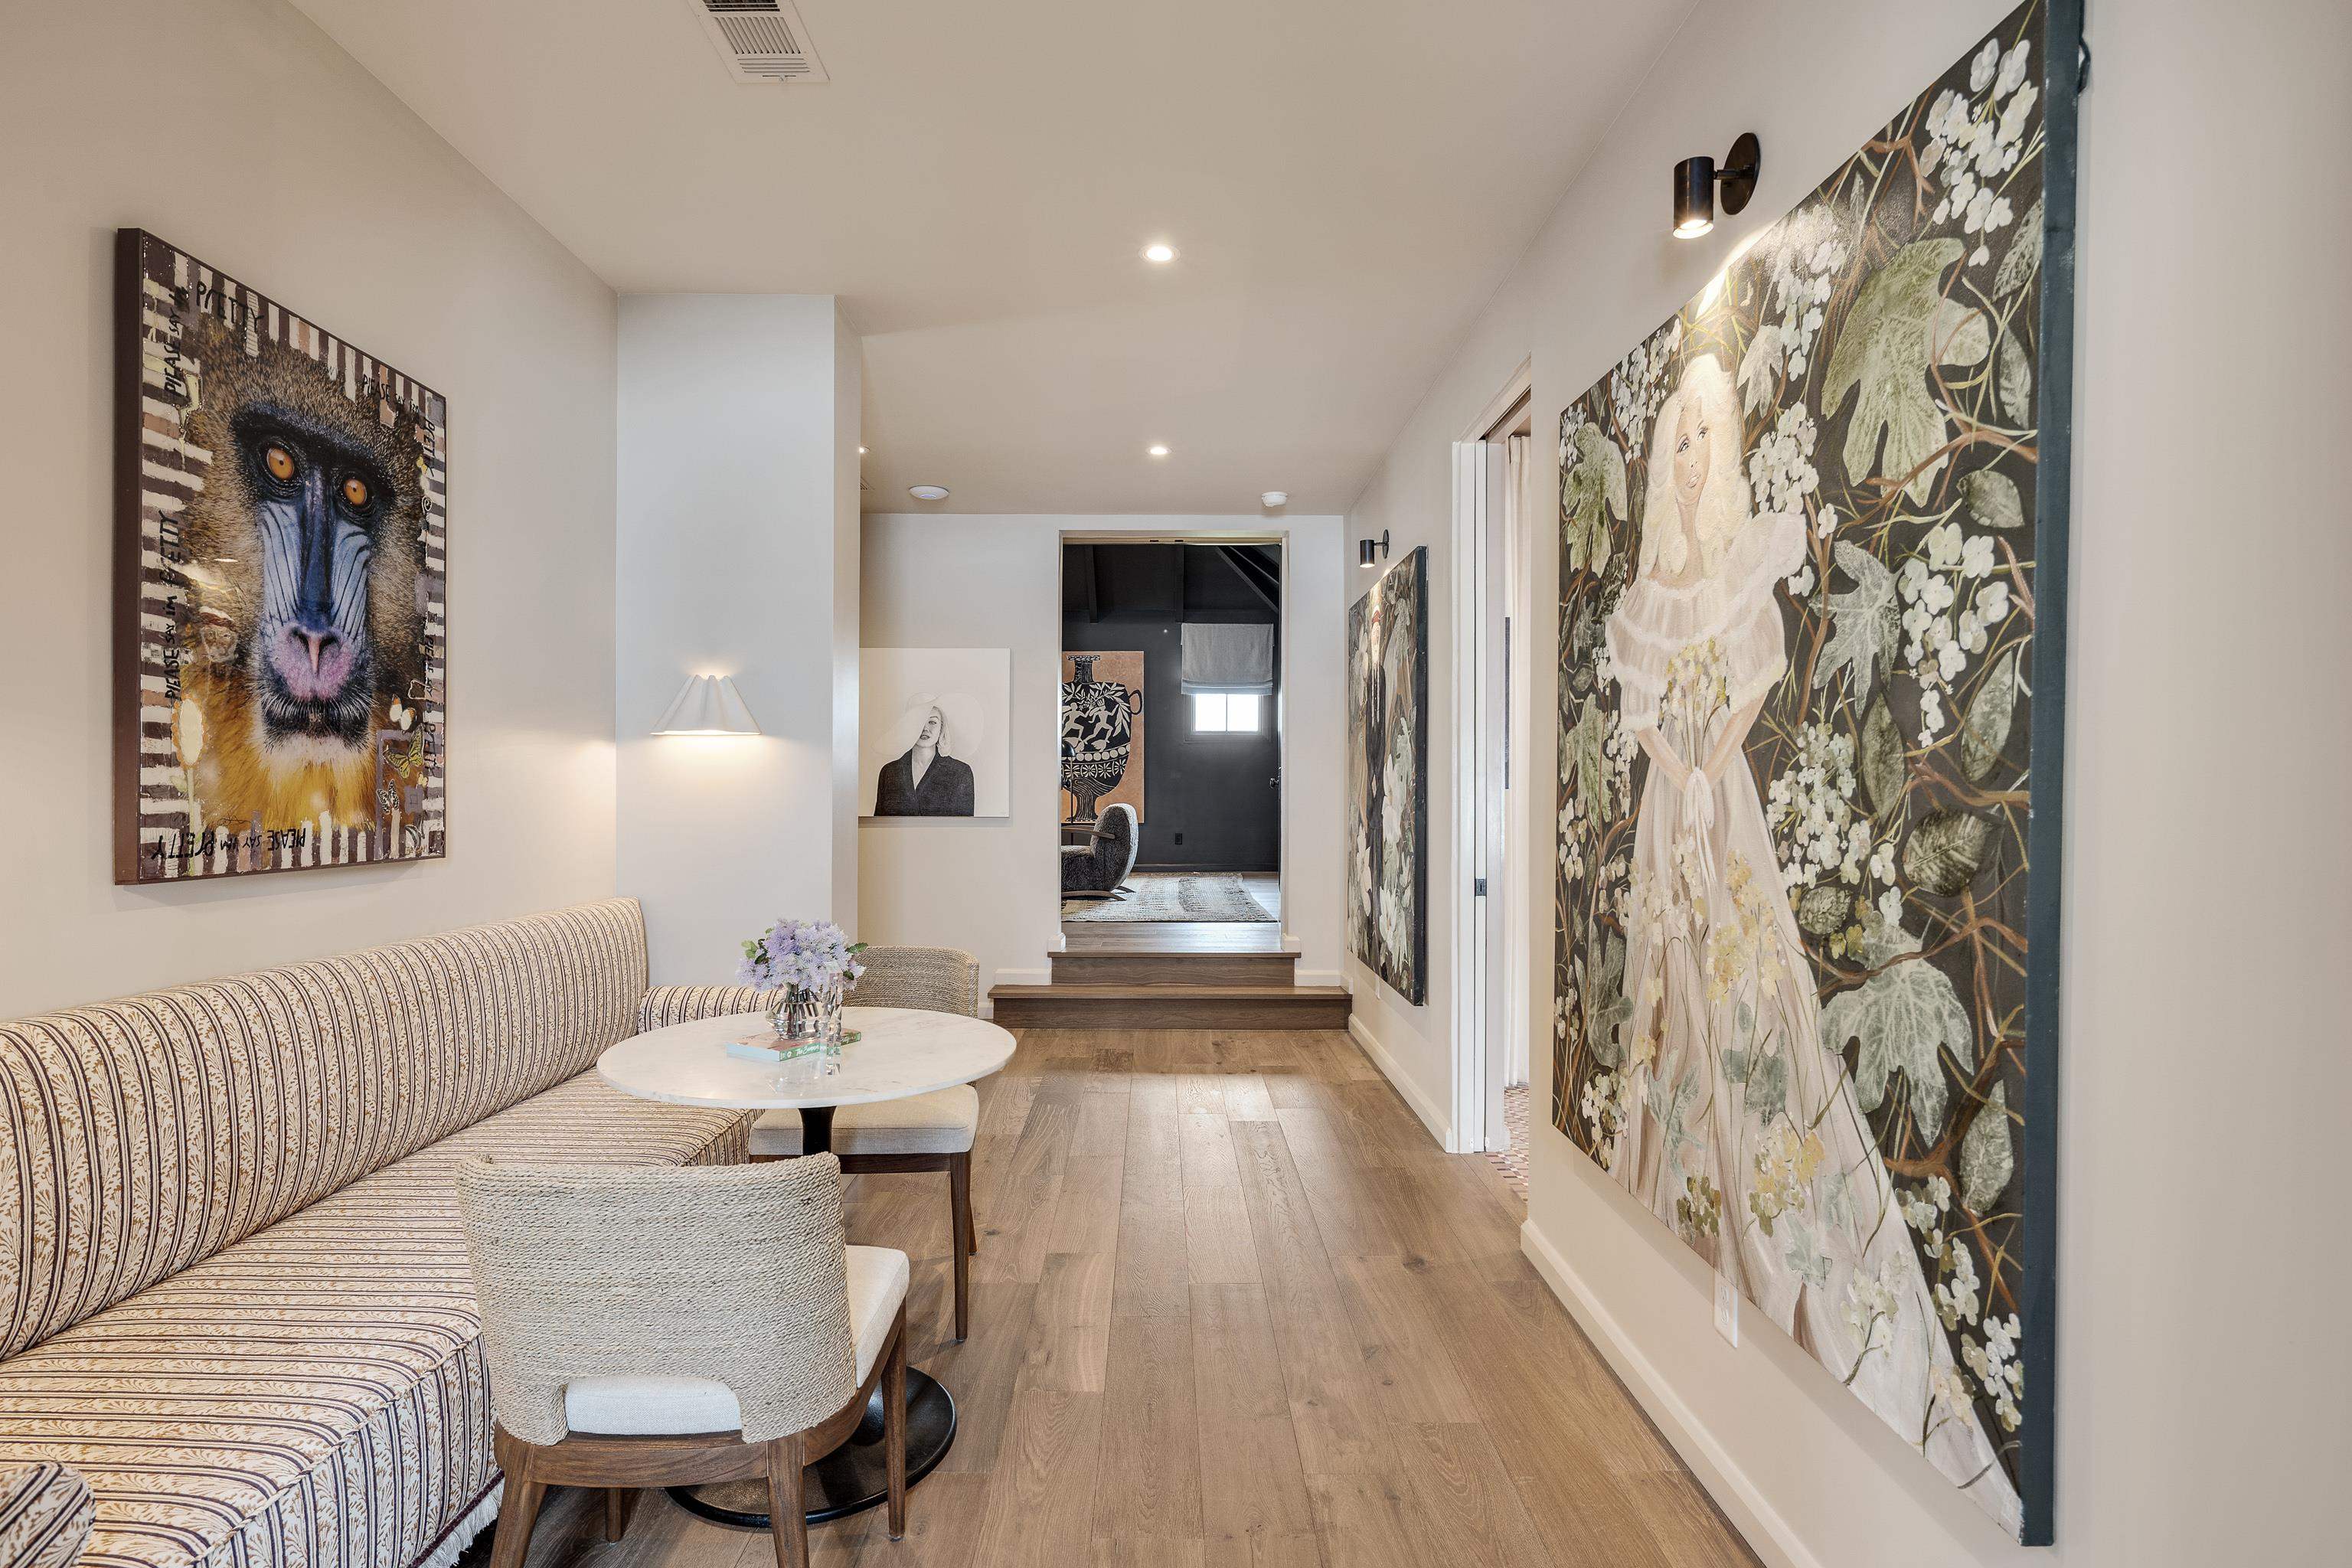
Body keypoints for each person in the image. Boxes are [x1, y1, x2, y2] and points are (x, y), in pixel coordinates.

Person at [1604, 353, 2020, 1532]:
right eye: (1675, 442)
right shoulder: (1641, 600)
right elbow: (1643, 711)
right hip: (1668, 818)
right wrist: (1671, 781)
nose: (1690, 462)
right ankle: (1681, 1209)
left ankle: (1791, 1256)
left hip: (1719, 815)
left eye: (1705, 438)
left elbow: (1754, 674)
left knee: (1753, 1004)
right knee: (1669, 1005)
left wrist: (1697, 780)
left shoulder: (1747, 566)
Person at [872, 701, 975, 816]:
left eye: (932, 722)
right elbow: (878, 826)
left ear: (941, 728)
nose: (925, 728)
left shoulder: (961, 773)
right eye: (918, 721)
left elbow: (965, 829)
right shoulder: (889, 772)